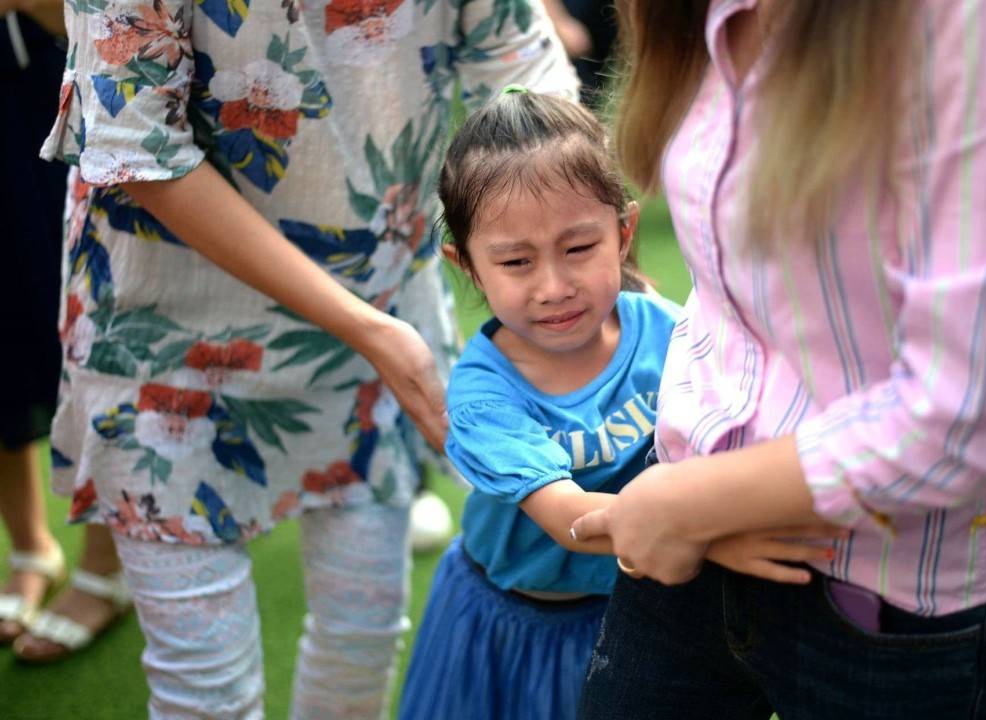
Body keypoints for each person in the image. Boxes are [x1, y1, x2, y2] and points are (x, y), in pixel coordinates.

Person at [36, 0, 579, 716]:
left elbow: (519, 59)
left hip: (380, 302)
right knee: (204, 693)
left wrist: (566, 239)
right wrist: (368, 328)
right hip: (168, 331)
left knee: (363, 636)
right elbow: (138, 148)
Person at [571, 1, 986, 718]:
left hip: (877, 593)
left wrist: (686, 502)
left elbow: (968, 414)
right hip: (691, 530)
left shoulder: (982, 20)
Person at [398, 88, 840, 720]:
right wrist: (715, 540)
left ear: (624, 232)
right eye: (517, 261)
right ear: (467, 266)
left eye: (579, 248)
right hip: (518, 625)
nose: (554, 286)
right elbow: (570, 519)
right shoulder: (481, 395)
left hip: (634, 606)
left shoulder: (669, 330)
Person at [1, 0, 130, 664]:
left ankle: (105, 565)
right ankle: (30, 545)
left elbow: (109, 23)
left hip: (51, 102)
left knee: (78, 323)